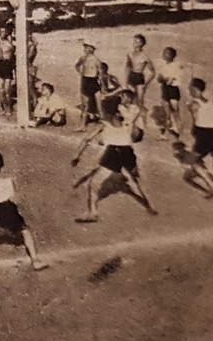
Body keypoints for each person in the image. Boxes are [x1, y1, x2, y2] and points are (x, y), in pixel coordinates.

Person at [71, 91, 157, 222]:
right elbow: (134, 132)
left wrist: (77, 156)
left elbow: (86, 140)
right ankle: (149, 206)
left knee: (93, 183)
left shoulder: (103, 122)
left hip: (113, 153)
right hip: (128, 152)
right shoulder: (127, 118)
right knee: (134, 181)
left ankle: (92, 213)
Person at [156, 47, 187, 140]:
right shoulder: (164, 66)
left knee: (175, 111)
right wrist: (164, 79)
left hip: (173, 90)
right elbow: (159, 79)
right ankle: (165, 134)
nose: (165, 55)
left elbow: (168, 80)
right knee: (167, 113)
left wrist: (164, 79)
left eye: (167, 53)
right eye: (164, 53)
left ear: (172, 56)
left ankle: (179, 132)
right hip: (165, 89)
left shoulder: (176, 66)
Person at [75, 40, 104, 129]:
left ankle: (104, 125)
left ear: (91, 49)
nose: (84, 49)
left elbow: (101, 72)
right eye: (85, 47)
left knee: (99, 106)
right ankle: (83, 125)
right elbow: (77, 65)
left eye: (86, 47)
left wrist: (100, 81)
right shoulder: (83, 58)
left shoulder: (97, 60)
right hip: (85, 81)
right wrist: (81, 72)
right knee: (85, 106)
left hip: (93, 81)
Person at [0, 24, 17, 117]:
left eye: (4, 31)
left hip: (8, 66)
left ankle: (8, 107)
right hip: (0, 65)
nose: (2, 33)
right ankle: (3, 107)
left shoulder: (10, 42)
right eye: (1, 31)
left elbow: (11, 52)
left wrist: (2, 45)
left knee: (7, 90)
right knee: (0, 90)